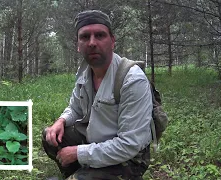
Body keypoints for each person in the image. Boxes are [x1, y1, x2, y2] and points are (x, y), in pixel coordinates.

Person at [42, 10, 153, 180]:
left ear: (112, 41)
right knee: (51, 136)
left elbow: (129, 145)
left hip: (129, 157)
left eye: (100, 35)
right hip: (95, 141)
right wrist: (61, 121)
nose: (92, 42)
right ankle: (80, 173)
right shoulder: (85, 74)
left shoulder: (132, 79)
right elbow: (75, 108)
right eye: (85, 37)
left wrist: (78, 153)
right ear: (78, 45)